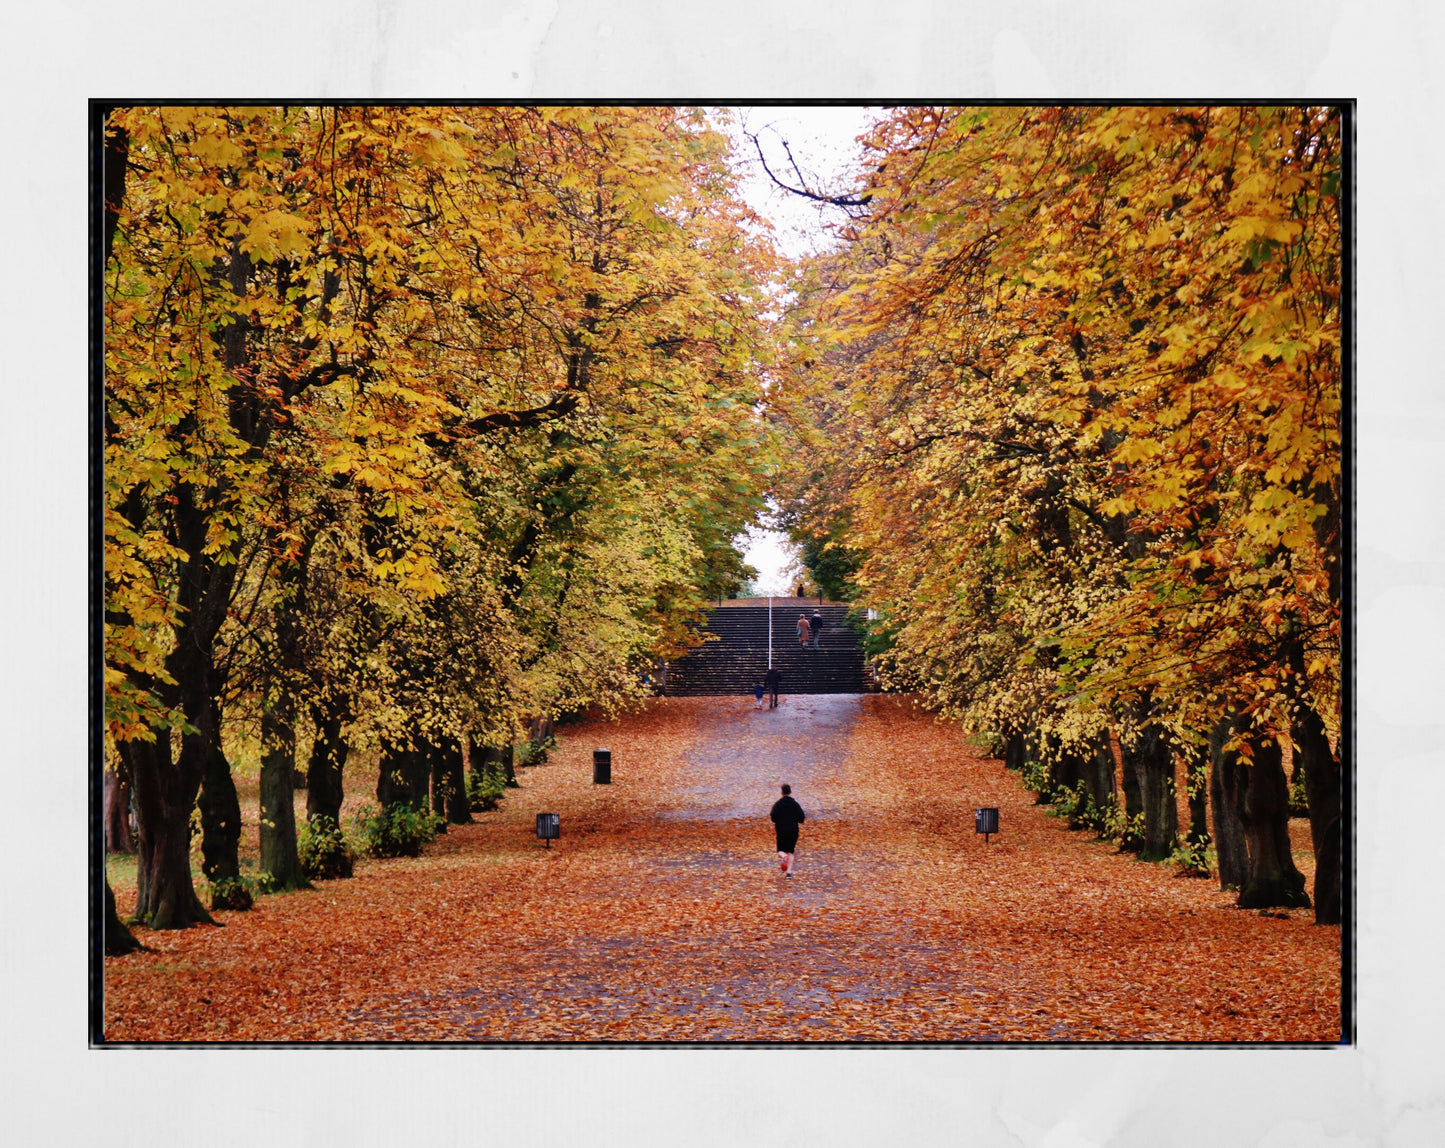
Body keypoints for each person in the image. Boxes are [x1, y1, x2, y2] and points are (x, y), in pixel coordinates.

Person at [770, 783, 806, 877]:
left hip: (781, 830)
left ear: (782, 793)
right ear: (791, 792)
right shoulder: (795, 804)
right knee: (790, 851)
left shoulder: (778, 804)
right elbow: (801, 818)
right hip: (793, 831)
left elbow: (773, 817)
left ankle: (783, 856)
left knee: (780, 850)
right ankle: (789, 873)